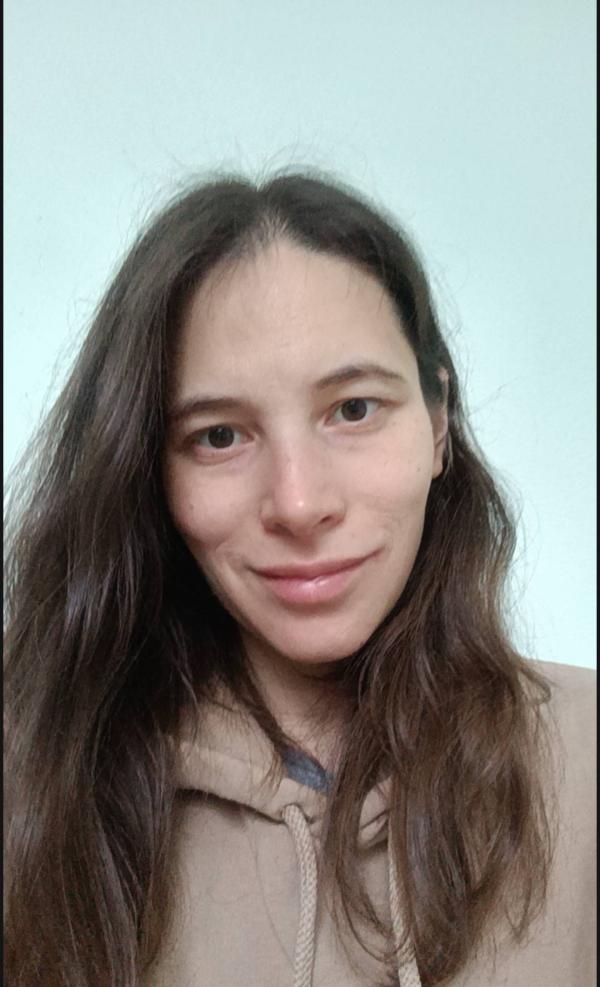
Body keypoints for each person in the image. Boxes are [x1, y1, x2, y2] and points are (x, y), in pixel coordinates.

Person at [4, 169, 595, 987]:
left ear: (438, 422)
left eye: (353, 409)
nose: (299, 502)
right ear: (149, 470)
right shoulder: (32, 766)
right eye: (219, 435)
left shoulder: (586, 756)